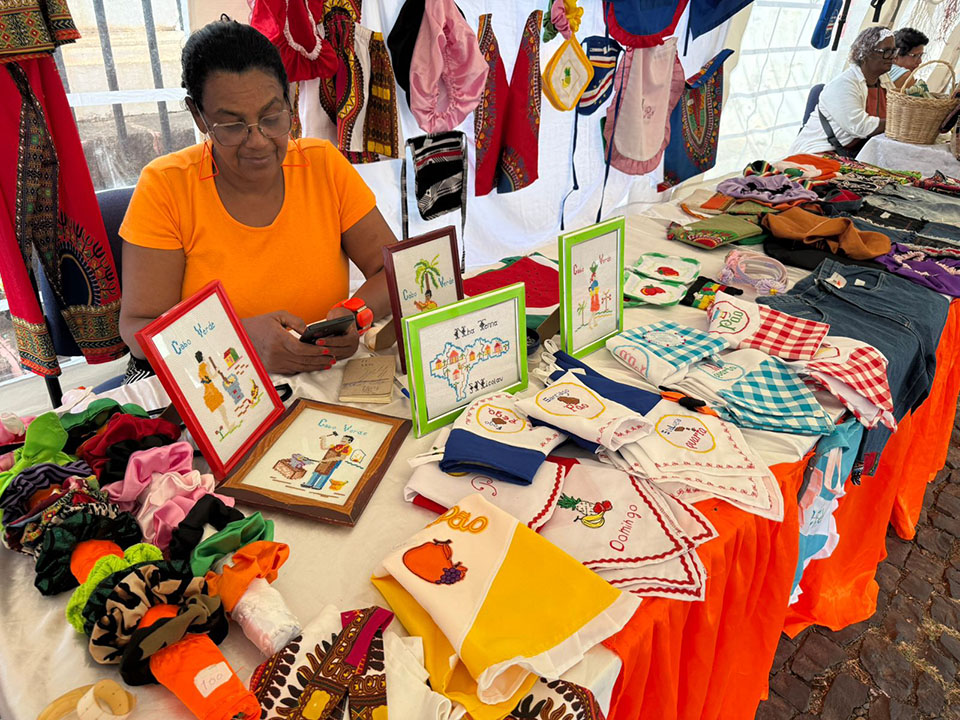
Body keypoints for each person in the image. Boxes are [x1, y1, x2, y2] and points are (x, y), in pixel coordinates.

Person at [119, 18, 398, 378]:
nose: (258, 140)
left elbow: (391, 271)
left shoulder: (322, 166)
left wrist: (356, 313)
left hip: (318, 374)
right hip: (213, 380)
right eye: (233, 125)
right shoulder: (166, 187)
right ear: (199, 117)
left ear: (290, 99)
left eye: (271, 116)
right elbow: (139, 329)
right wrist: (238, 339)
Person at [791, 26, 896, 156]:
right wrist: (898, 122)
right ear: (866, 53)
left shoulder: (884, 81)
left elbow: (896, 110)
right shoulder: (843, 84)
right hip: (819, 151)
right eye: (886, 51)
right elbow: (860, 127)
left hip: (856, 153)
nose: (892, 57)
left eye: (893, 51)